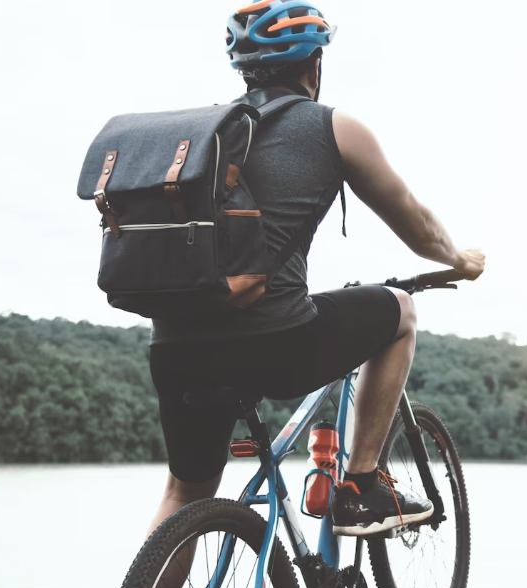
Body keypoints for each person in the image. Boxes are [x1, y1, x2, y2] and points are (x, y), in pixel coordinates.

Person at [144, 0, 485, 540]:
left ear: (245, 69)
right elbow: (420, 228)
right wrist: (460, 260)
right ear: (315, 64)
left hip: (175, 348)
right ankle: (361, 487)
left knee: (184, 495)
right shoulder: (335, 127)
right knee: (401, 311)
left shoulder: (203, 135)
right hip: (272, 342)